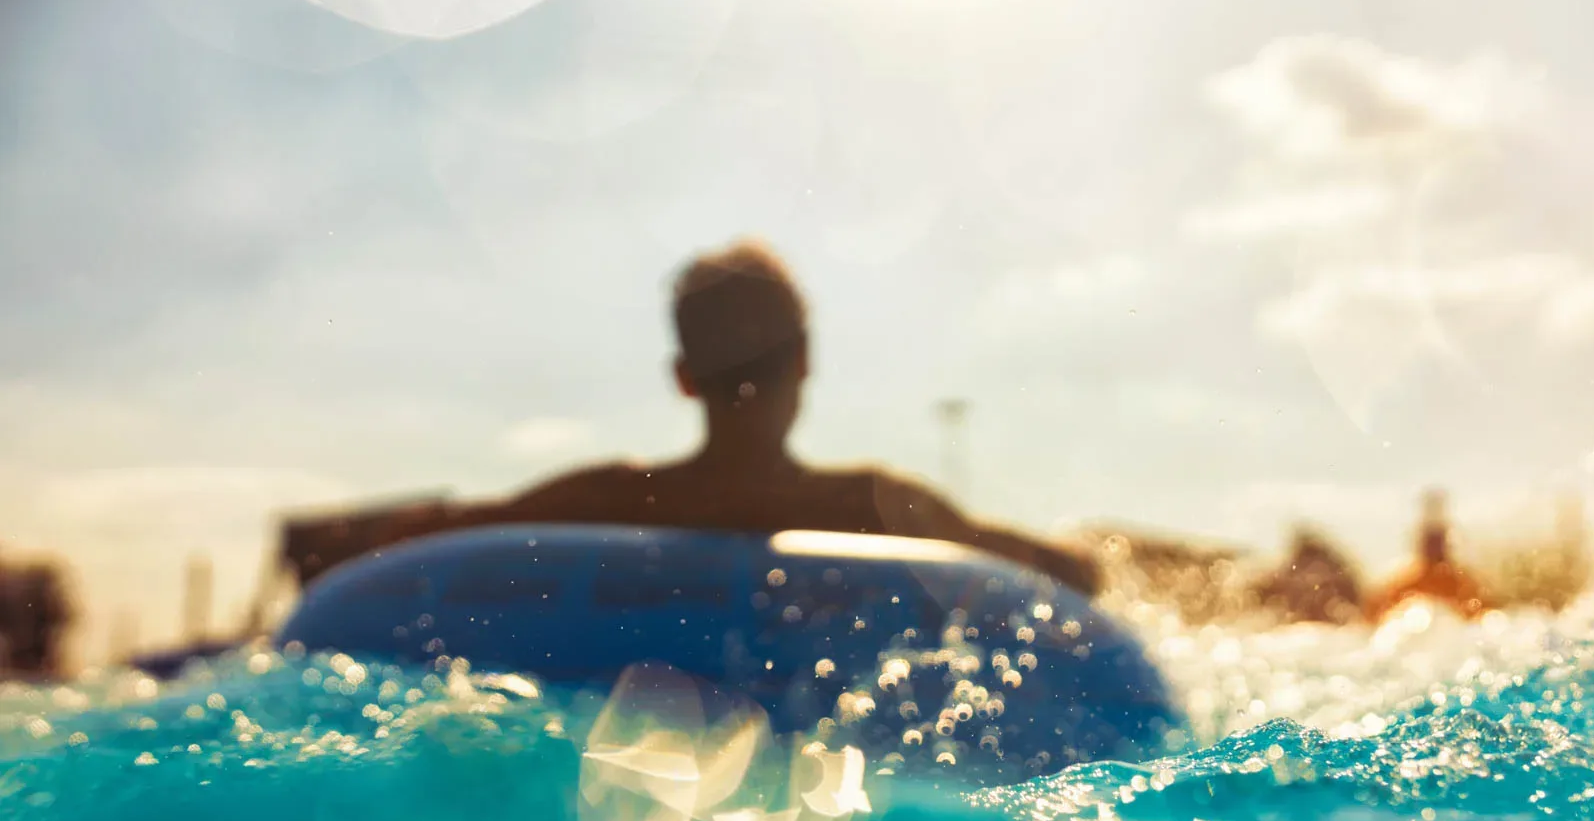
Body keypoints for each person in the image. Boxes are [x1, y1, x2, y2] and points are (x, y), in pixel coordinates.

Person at [387, 240, 1100, 594]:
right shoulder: (874, 506)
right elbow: (1067, 577)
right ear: (805, 361)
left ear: (684, 379)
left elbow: (439, 541)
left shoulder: (608, 500)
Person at [1364, 490, 1488, 622]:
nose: (1435, 548)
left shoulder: (1465, 587)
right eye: (1433, 541)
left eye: (1436, 541)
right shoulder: (1466, 587)